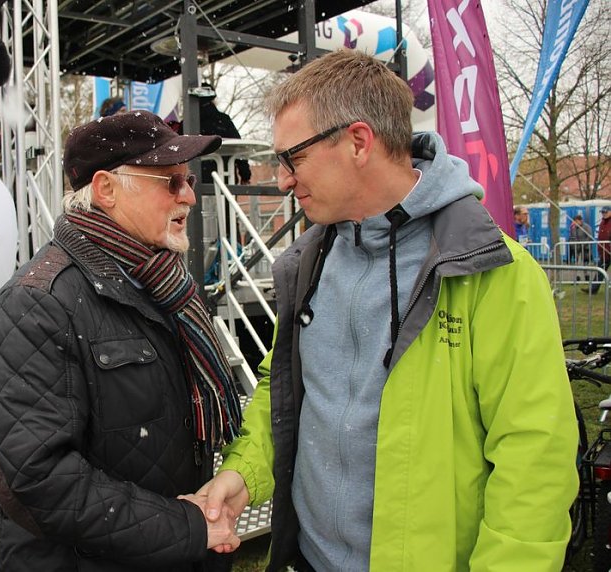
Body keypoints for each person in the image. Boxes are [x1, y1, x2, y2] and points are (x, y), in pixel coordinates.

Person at [198, 50, 578, 571]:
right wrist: (244, 473)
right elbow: (281, 390)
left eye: (293, 158)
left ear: (358, 142)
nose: (283, 180)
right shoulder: (307, 264)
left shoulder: (492, 271)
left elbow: (535, 460)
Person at [0, 110, 243, 571]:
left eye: (188, 180)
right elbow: (39, 480)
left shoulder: (165, 283)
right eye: (170, 181)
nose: (188, 196)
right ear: (106, 190)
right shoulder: (35, 304)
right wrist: (187, 527)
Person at [182, 84, 251, 185]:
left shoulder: (186, 124)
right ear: (213, 99)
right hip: (225, 179)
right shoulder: (223, 121)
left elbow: (177, 154)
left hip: (194, 182)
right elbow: (239, 148)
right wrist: (245, 175)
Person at [588, 206, 611, 294]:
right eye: (602, 212)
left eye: (606, 212)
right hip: (604, 252)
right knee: (600, 271)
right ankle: (593, 289)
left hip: (609, 249)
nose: (604, 214)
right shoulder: (602, 222)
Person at [569, 213, 592, 279]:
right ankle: (577, 277)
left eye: (576, 221)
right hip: (577, 248)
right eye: (574, 221)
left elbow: (589, 236)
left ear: (580, 220)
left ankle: (587, 275)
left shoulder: (586, 227)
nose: (575, 222)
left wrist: (583, 244)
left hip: (585, 248)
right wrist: (572, 245)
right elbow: (571, 237)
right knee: (577, 263)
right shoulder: (573, 228)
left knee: (585, 262)